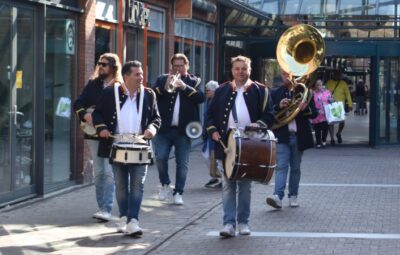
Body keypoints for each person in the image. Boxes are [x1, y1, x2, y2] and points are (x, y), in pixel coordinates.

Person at [206, 55, 274, 237]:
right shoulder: (221, 90)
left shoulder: (261, 90)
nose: (240, 72)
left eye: (244, 69)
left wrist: (259, 124)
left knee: (244, 186)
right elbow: (210, 116)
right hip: (226, 145)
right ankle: (228, 224)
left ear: (249, 70)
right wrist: (212, 131)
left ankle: (243, 222)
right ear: (232, 70)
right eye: (237, 68)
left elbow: (269, 116)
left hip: (250, 146)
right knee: (228, 186)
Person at [92, 60, 161, 236]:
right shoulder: (110, 92)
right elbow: (97, 113)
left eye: (142, 74)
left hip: (140, 146)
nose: (141, 77)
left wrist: (152, 128)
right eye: (137, 74)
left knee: (138, 185)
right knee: (121, 186)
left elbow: (156, 118)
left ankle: (133, 220)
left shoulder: (149, 94)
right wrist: (102, 128)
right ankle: (124, 217)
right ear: (126, 76)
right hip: (117, 146)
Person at [73, 53, 123, 221]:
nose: (101, 67)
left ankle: (107, 209)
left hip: (112, 133)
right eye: (99, 64)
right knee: (98, 171)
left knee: (108, 171)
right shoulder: (93, 84)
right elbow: (78, 103)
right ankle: (102, 206)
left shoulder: (119, 87)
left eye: (104, 64)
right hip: (93, 133)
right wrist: (85, 116)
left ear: (113, 67)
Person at [152, 53, 205, 205]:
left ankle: (179, 192)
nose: (178, 68)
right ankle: (165, 184)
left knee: (182, 163)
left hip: (183, 130)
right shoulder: (162, 79)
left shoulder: (194, 81)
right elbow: (152, 95)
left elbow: (200, 98)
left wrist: (184, 87)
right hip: (164, 129)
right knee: (160, 158)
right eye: (175, 65)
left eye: (181, 65)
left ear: (186, 66)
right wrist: (164, 86)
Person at [266, 70, 317, 210]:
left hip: (298, 136)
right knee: (281, 166)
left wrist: (304, 109)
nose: (285, 76)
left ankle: (293, 196)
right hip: (282, 136)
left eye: (288, 74)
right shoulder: (275, 93)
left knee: (295, 168)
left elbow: (315, 113)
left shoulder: (305, 91)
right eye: (282, 74)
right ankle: (277, 196)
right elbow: (268, 113)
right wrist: (278, 106)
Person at [202, 80, 222, 189]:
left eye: (208, 90)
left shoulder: (218, 101)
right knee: (207, 156)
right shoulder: (208, 101)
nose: (206, 92)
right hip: (208, 133)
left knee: (215, 157)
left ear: (214, 91)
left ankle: (221, 178)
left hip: (215, 134)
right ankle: (215, 176)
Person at [326, 70, 352, 144]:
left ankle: (338, 133)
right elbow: (325, 93)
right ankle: (332, 138)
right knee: (331, 123)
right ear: (333, 74)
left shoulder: (344, 84)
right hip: (331, 105)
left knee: (342, 122)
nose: (338, 76)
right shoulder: (329, 83)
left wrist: (350, 104)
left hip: (341, 106)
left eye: (339, 74)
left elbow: (348, 94)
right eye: (336, 74)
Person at [311, 79, 332, 148]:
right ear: (315, 86)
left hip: (325, 114)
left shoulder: (327, 92)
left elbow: (331, 100)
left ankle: (324, 140)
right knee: (317, 129)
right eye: (317, 85)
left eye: (320, 84)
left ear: (323, 85)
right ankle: (318, 142)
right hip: (317, 114)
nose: (319, 86)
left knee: (325, 128)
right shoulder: (313, 93)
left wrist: (331, 100)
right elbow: (311, 103)